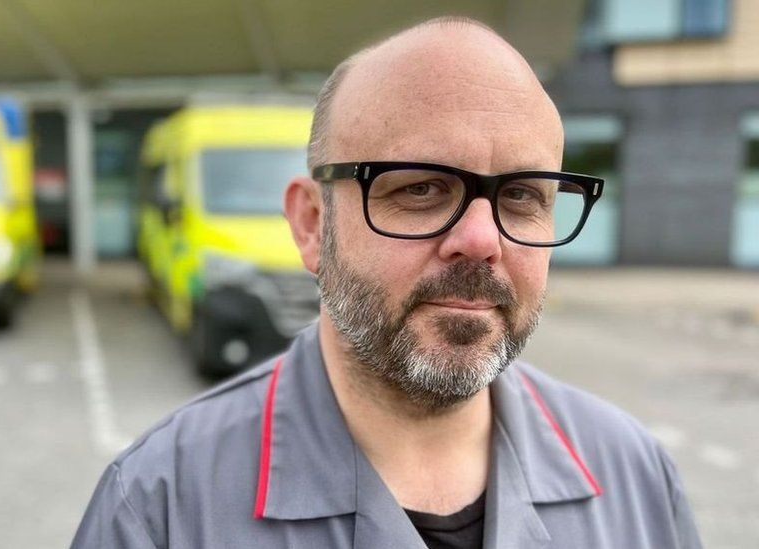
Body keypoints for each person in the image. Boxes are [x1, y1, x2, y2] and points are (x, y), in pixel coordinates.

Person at [71, 16, 702, 548]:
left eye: (521, 195)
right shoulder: (161, 508)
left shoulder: (636, 479)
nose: (483, 240)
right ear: (313, 224)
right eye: (421, 188)